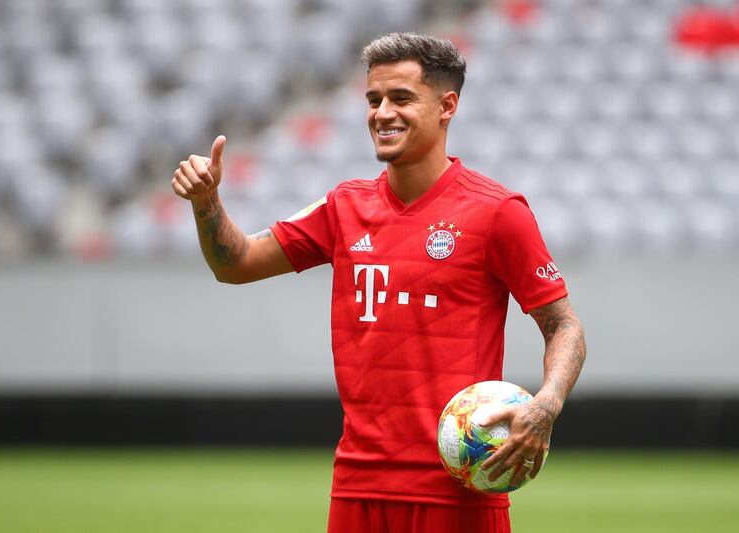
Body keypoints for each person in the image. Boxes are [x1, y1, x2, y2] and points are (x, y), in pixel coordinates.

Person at [171, 32, 586, 533]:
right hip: (357, 488)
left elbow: (563, 326)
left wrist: (547, 403)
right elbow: (235, 264)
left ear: (446, 105)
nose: (382, 113)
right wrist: (207, 203)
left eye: (401, 98)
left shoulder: (498, 213)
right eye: (374, 99)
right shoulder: (344, 207)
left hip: (455, 493)